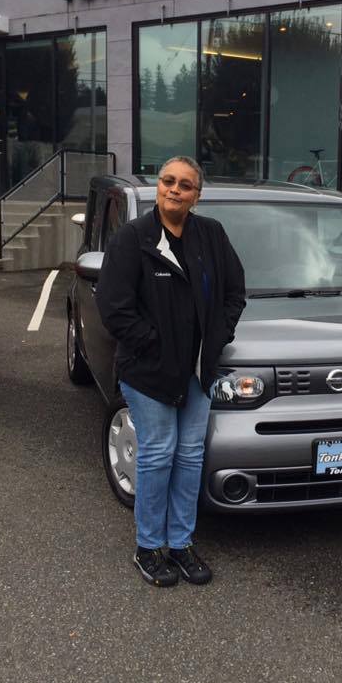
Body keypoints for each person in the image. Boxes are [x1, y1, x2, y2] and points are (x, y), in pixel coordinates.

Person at [96, 156, 246, 587]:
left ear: (197, 196)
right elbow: (113, 307)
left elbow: (234, 292)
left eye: (185, 185)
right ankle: (148, 547)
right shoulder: (133, 239)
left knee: (189, 456)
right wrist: (154, 344)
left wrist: (216, 337)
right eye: (168, 181)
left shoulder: (211, 235)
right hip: (149, 373)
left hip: (198, 372)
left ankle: (180, 544)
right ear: (159, 188)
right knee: (158, 454)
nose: (174, 189)